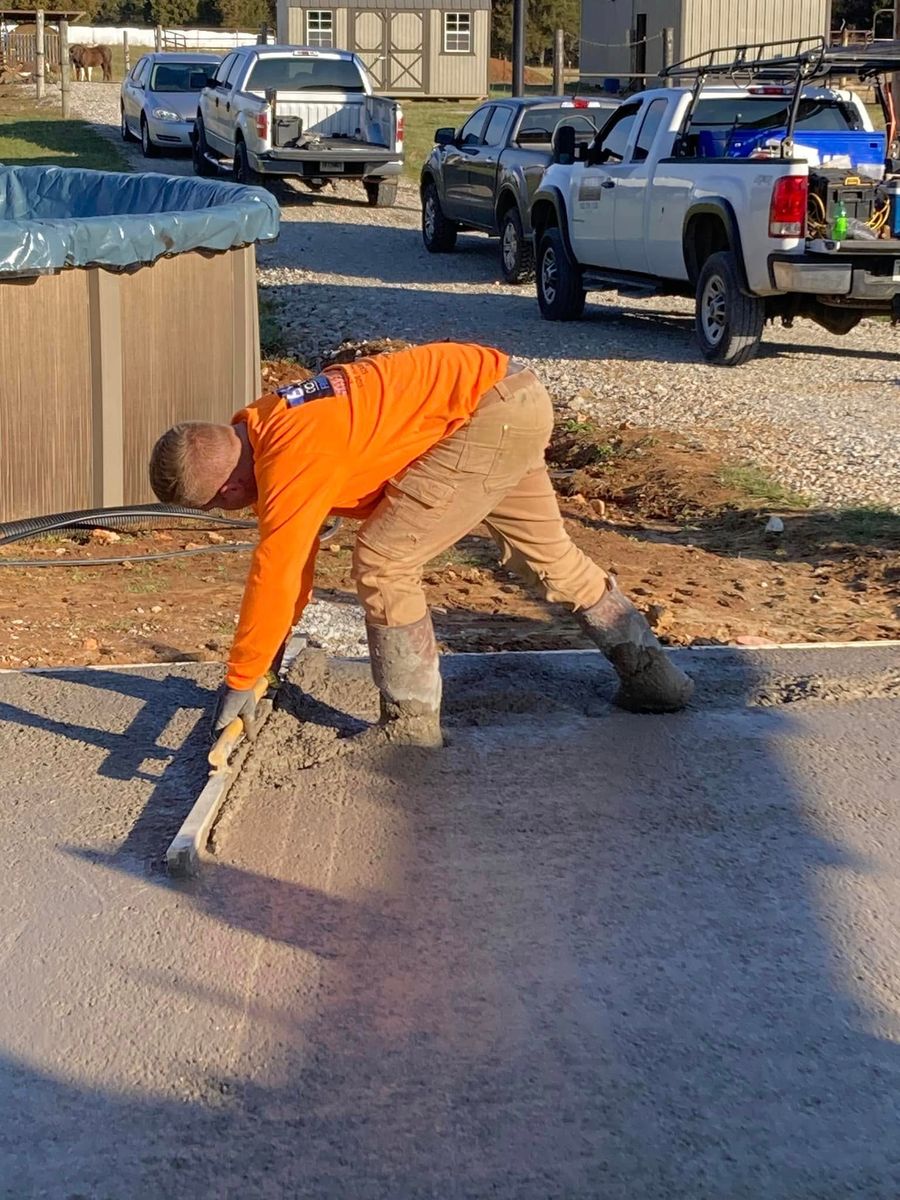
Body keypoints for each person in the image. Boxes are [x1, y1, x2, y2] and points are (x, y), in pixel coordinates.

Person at [149, 342, 692, 747]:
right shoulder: (269, 422)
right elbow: (297, 561)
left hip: (485, 416)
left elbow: (279, 568)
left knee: (383, 559)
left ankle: (409, 729)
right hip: (509, 397)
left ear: (228, 488)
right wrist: (262, 659)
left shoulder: (292, 452)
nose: (231, 513)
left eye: (217, 507)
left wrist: (243, 675)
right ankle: (655, 680)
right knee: (550, 558)